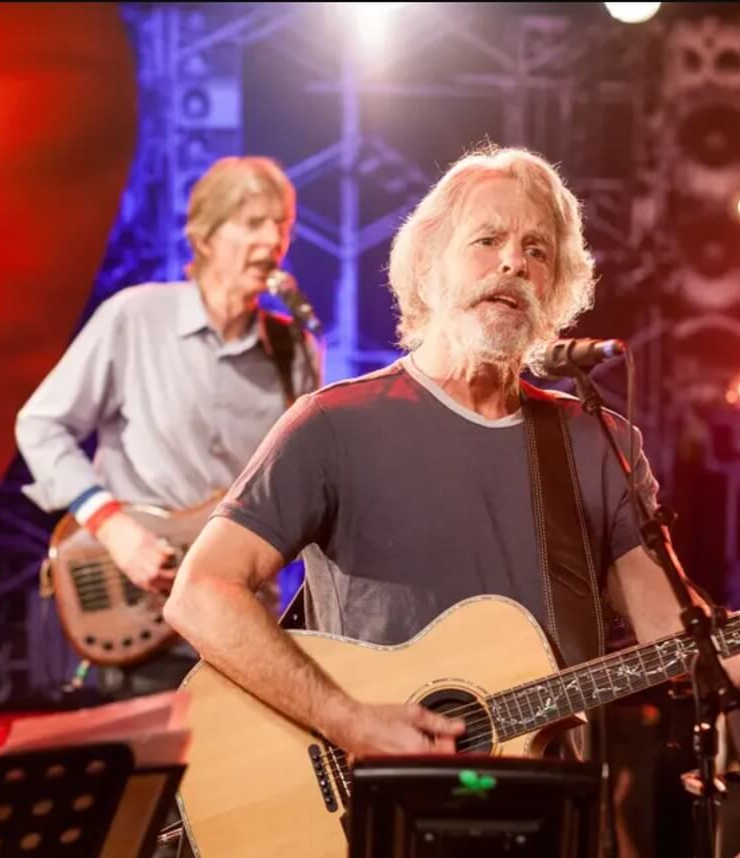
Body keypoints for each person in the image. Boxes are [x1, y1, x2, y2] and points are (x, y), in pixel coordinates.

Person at [163, 143, 740, 759]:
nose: (514, 263)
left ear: (557, 287)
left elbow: (672, 627)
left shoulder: (599, 441)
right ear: (431, 264)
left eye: (537, 250)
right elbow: (201, 593)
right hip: (370, 810)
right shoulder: (333, 424)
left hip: (546, 810)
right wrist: (344, 718)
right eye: (488, 240)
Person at [15, 155, 321, 702]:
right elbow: (41, 425)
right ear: (204, 236)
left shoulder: (292, 350)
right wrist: (113, 527)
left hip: (237, 625)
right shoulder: (135, 318)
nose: (272, 239)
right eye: (253, 223)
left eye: (282, 225)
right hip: (134, 603)